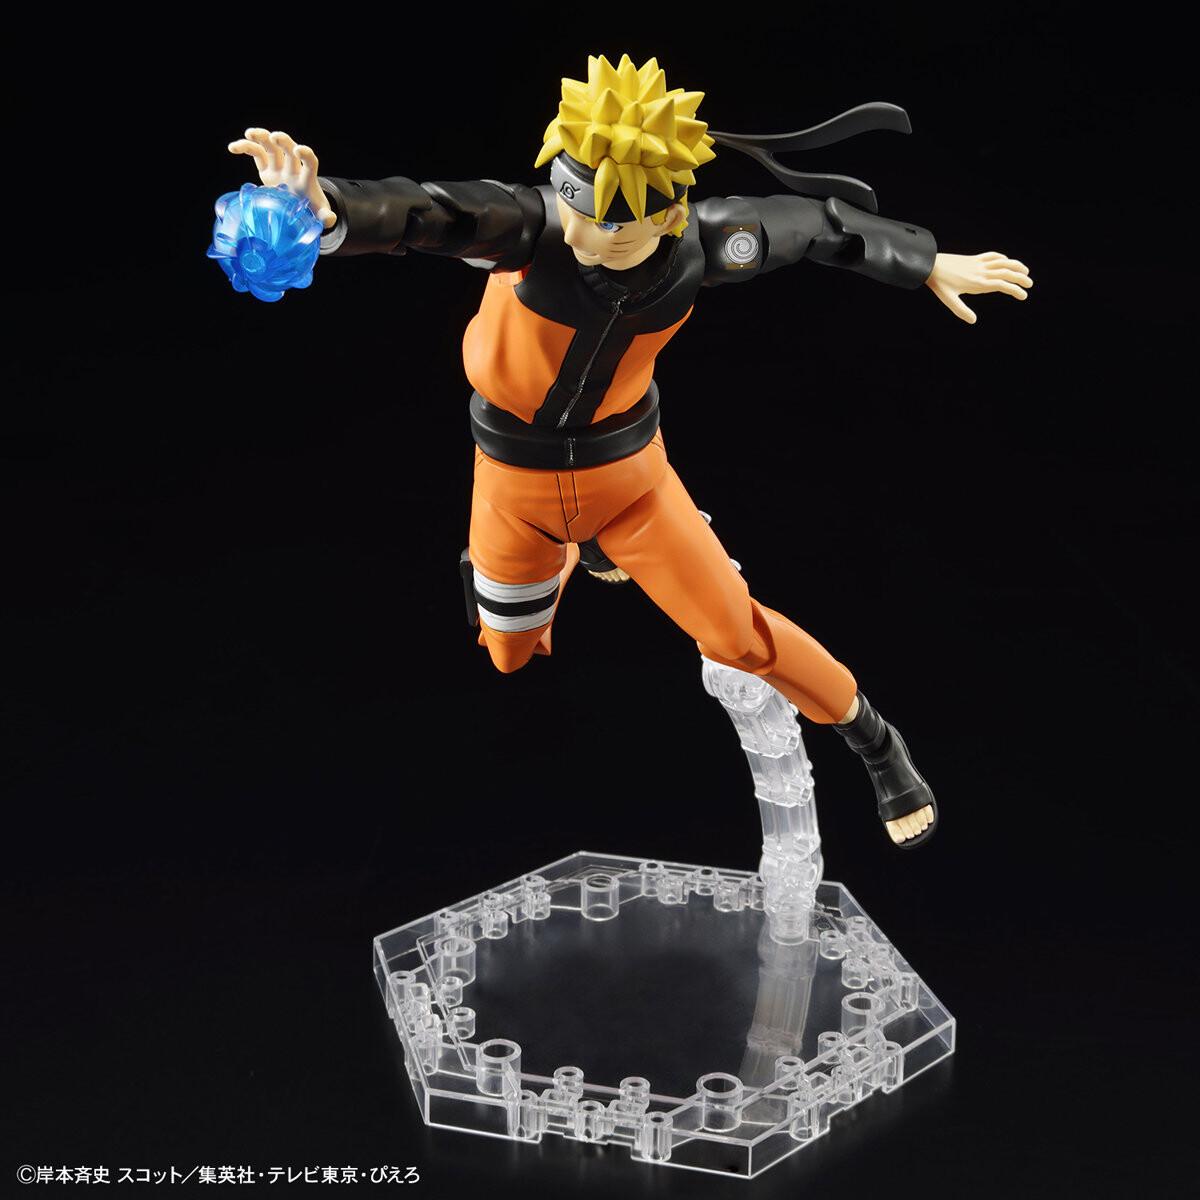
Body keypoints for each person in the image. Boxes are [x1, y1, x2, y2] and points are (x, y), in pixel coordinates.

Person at [227, 54, 1033, 847]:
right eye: (573, 202)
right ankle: (560, 556)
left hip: (630, 480)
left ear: (666, 218)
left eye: (613, 223)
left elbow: (821, 227)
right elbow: (425, 213)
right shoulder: (531, 230)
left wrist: (924, 260)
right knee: (507, 654)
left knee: (736, 637)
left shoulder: (705, 245)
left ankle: (876, 742)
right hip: (512, 482)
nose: (583, 231)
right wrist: (325, 208)